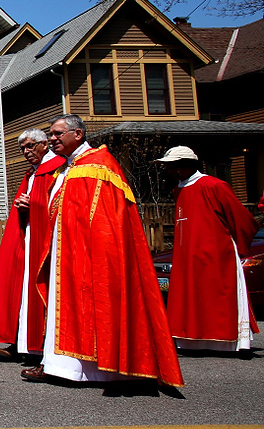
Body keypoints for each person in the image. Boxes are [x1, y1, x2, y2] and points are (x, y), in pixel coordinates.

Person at [22, 114, 184, 388]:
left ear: (78, 134)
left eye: (58, 133)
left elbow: (109, 221)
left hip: (90, 254)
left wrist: (94, 252)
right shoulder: (68, 168)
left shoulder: (100, 167)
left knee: (92, 307)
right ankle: (58, 365)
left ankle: (100, 369)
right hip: (67, 253)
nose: (52, 139)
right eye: (50, 134)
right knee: (65, 309)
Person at [155, 146, 259, 351]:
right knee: (191, 296)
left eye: (174, 166)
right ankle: (191, 338)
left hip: (216, 250)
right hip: (187, 252)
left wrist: (237, 245)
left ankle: (227, 340)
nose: (170, 171)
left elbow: (240, 218)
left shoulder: (214, 186)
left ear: (187, 165)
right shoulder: (179, 189)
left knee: (218, 295)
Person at [0, 129, 65, 362]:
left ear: (44, 144)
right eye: (22, 148)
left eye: (29, 146)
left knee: (41, 291)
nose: (26, 152)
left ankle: (38, 345)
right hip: (29, 238)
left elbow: (60, 204)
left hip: (46, 242)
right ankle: (24, 341)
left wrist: (33, 205)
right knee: (22, 291)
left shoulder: (58, 169)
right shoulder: (33, 173)